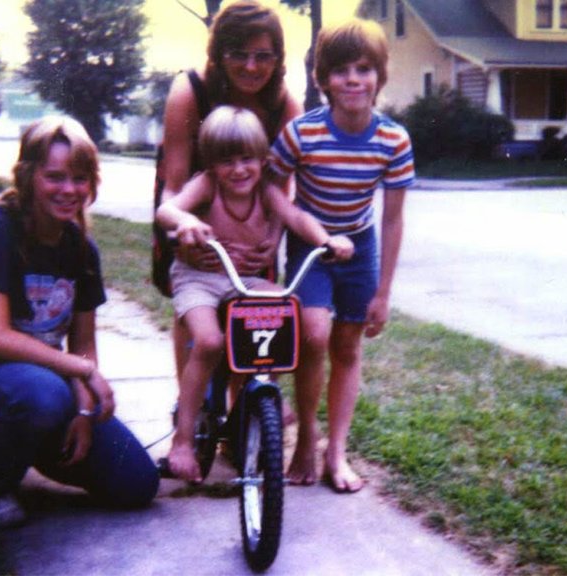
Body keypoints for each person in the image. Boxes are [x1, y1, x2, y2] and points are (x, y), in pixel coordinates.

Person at [0, 116, 160, 528]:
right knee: (43, 395)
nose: (69, 190)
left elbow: (83, 344)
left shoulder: (81, 247)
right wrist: (80, 373)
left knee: (137, 483)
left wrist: (84, 410)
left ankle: (28, 443)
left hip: (39, 387)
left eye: (79, 178)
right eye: (54, 177)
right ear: (27, 176)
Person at [156, 105, 354, 482]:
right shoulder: (207, 185)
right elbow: (168, 209)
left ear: (263, 161)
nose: (238, 170)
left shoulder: (265, 192)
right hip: (198, 277)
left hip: (241, 280)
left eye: (247, 159)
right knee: (210, 342)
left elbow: (296, 218)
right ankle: (182, 441)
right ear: (212, 164)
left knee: (286, 311)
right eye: (226, 161)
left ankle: (266, 398)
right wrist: (186, 220)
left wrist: (327, 240)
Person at [267, 18, 416, 493]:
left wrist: (384, 293)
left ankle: (337, 452)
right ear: (323, 79)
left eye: (364, 68)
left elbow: (392, 219)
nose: (353, 79)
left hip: (361, 246)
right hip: (312, 246)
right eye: (341, 70)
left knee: (348, 347)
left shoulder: (393, 140)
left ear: (379, 77)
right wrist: (300, 230)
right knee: (312, 336)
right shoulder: (301, 134)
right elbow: (273, 191)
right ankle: (306, 435)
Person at [152, 0, 304, 385]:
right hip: (189, 200)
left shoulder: (285, 104)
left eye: (263, 56)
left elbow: (281, 193)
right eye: (239, 53)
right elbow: (175, 184)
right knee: (195, 306)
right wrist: (184, 235)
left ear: (278, 58)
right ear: (219, 53)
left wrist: (271, 240)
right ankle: (189, 405)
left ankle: (243, 415)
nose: (251, 67)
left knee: (255, 311)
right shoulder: (190, 90)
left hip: (252, 214)